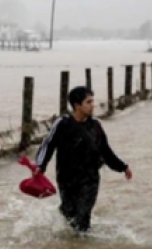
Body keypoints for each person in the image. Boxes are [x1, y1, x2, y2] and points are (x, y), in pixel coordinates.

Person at [34, 86, 132, 232]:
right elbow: (48, 144)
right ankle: (71, 240)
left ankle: (82, 247)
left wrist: (123, 167)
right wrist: (40, 166)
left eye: (93, 101)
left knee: (82, 218)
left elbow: (106, 151)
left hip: (89, 179)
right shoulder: (63, 123)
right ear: (77, 105)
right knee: (69, 215)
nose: (93, 105)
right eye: (88, 102)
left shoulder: (95, 126)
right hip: (66, 178)